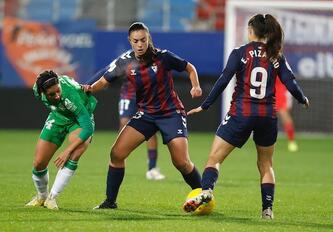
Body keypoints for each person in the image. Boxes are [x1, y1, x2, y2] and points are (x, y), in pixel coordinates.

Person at [182, 14, 309, 219]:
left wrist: (205, 106)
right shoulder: (276, 55)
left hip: (241, 113)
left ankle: (206, 191)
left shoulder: (240, 53)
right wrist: (302, 99)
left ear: (251, 30)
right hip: (267, 116)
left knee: (215, 158)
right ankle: (267, 209)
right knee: (266, 164)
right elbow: (290, 82)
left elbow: (223, 81)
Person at [84, 22, 203, 209]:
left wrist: (195, 86)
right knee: (117, 154)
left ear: (149, 39)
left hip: (171, 113)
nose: (140, 44)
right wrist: (88, 89)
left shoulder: (164, 57)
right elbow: (103, 81)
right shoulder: (124, 61)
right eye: (136, 41)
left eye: (143, 40)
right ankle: (110, 201)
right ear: (130, 41)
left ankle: (203, 194)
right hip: (146, 114)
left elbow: (190, 68)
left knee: (181, 162)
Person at [26, 70, 97, 210]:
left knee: (74, 154)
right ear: (42, 92)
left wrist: (67, 150)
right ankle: (42, 196)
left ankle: (52, 198)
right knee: (39, 163)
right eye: (52, 94)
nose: (57, 96)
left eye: (58, 90)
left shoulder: (69, 96)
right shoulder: (37, 90)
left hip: (80, 119)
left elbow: (87, 128)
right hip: (58, 116)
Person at [90, 66, 165, 180]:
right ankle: (116, 163)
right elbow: (107, 71)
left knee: (151, 130)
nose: (140, 46)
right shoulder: (127, 59)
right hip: (128, 96)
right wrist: (89, 84)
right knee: (124, 127)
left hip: (147, 98)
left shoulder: (154, 58)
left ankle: (152, 168)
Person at [275, 77, 298, 152]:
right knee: (264, 116)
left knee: (284, 114)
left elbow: (289, 79)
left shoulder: (282, 66)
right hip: (267, 90)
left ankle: (291, 141)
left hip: (280, 91)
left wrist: (289, 96)